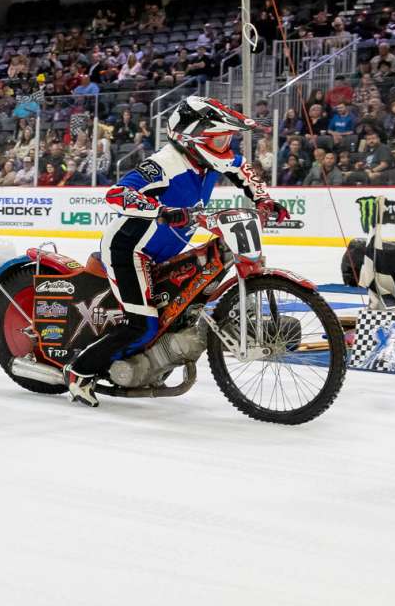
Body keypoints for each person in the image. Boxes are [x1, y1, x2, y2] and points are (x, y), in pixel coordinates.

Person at [62, 97, 289, 406]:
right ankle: (79, 371)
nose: (225, 146)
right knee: (143, 325)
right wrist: (161, 210)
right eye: (219, 139)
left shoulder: (211, 159)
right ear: (192, 138)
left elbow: (243, 171)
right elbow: (118, 194)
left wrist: (264, 200)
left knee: (179, 313)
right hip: (131, 250)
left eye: (227, 139)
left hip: (164, 252)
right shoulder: (164, 164)